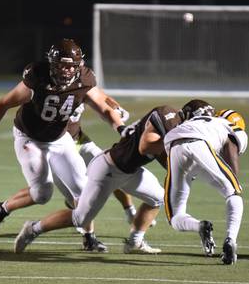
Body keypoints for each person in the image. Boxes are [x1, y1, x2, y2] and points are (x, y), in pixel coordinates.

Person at [0, 39, 126, 251]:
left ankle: (89, 237)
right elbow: (4, 103)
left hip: (60, 139)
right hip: (30, 139)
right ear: (52, 64)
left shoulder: (84, 79)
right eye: (62, 65)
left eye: (71, 66)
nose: (67, 70)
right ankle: (0, 209)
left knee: (83, 192)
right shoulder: (37, 77)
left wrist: (122, 129)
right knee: (42, 193)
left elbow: (104, 107)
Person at [14, 105, 181, 255]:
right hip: (108, 170)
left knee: (159, 198)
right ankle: (33, 229)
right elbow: (148, 148)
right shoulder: (163, 123)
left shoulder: (167, 124)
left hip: (130, 171)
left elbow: (164, 156)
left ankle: (135, 241)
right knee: (81, 219)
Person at [161, 100, 248, 265]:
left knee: (175, 216)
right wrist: (233, 180)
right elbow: (230, 147)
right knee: (234, 192)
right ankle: (231, 240)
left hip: (174, 145)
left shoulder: (201, 121)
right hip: (200, 143)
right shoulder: (229, 126)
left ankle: (199, 226)